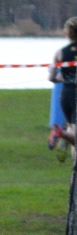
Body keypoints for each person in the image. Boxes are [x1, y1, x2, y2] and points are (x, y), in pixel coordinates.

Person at [48, 18, 77, 148]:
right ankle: (60, 133)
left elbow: (52, 78)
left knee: (72, 128)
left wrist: (61, 77)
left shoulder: (60, 53)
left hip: (65, 94)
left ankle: (74, 167)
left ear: (66, 33)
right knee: (73, 133)